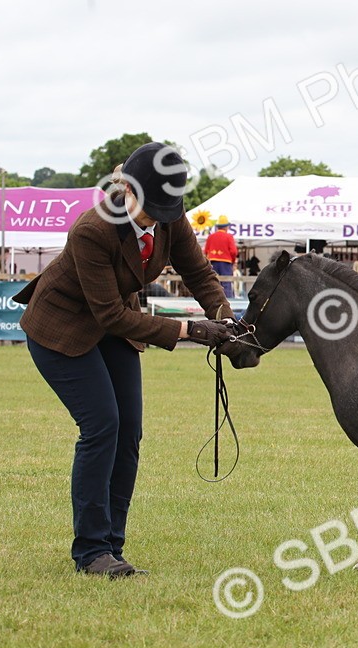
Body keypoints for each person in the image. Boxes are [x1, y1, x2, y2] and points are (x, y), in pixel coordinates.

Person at [13, 143, 235, 578]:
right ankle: (91, 552)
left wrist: (225, 320)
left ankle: (112, 546)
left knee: (129, 431)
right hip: (63, 330)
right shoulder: (92, 229)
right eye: (150, 209)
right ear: (126, 191)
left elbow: (199, 274)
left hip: (117, 329)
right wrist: (189, 331)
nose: (157, 218)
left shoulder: (170, 219)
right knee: (102, 427)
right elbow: (110, 314)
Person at [203, 216, 238, 298]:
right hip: (226, 262)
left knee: (213, 282)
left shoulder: (211, 237)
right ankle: (227, 301)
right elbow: (233, 251)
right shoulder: (229, 236)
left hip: (212, 261)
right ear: (226, 227)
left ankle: (212, 299)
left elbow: (205, 251)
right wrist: (232, 262)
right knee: (226, 283)